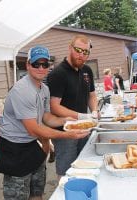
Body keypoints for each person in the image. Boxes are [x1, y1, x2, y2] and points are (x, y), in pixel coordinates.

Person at [0, 45, 89, 200]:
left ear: (49, 66)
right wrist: (68, 135)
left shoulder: (44, 89)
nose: (40, 68)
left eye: (44, 64)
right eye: (36, 64)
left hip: (33, 145)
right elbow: (33, 129)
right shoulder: (22, 90)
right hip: (14, 149)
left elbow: (46, 117)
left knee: (37, 192)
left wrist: (64, 120)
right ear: (27, 65)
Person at [47, 35, 99, 178]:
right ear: (70, 48)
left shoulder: (87, 71)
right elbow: (54, 107)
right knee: (66, 172)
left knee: (84, 166)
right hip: (65, 132)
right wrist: (82, 116)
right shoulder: (58, 74)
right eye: (78, 50)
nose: (81, 55)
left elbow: (92, 95)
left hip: (85, 128)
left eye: (86, 52)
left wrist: (94, 110)